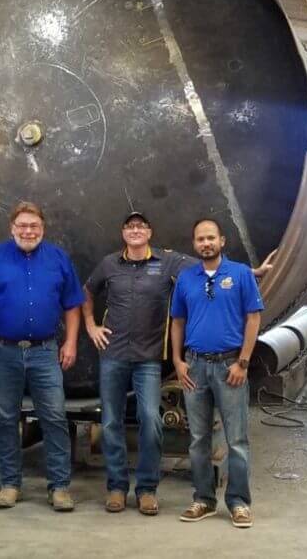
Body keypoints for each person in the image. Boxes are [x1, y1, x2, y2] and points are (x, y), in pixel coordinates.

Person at [83, 212, 273, 516]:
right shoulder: (113, 265)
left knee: (157, 422)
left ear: (150, 231)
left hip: (159, 361)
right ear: (123, 232)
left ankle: (152, 490)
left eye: (141, 226)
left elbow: (228, 285)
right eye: (130, 227)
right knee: (114, 424)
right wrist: (91, 327)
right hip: (121, 357)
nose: (135, 231)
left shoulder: (171, 263)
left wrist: (254, 272)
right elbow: (89, 292)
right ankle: (120, 488)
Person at [0, 201, 84, 512]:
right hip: (4, 352)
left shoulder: (58, 259)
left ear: (42, 229)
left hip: (46, 352)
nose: (28, 231)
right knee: (5, 418)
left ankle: (59, 487)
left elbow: (73, 305)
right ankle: (9, 484)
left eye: (34, 226)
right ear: (12, 228)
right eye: (23, 226)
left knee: (54, 417)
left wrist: (70, 343)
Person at [170, 218, 263, 529]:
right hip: (194, 366)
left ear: (222, 241)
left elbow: (253, 318)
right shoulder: (186, 279)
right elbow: (178, 322)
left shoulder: (239, 274)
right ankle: (203, 499)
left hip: (229, 366)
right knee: (198, 439)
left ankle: (238, 503)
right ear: (194, 244)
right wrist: (178, 361)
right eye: (200, 239)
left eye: (211, 237)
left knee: (236, 439)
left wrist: (243, 362)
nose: (205, 243)